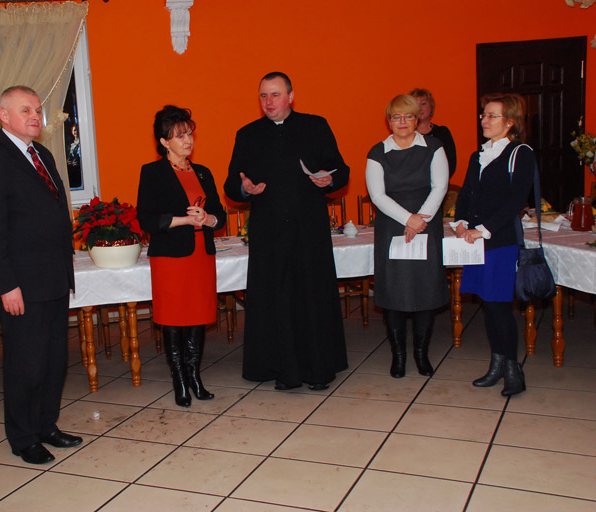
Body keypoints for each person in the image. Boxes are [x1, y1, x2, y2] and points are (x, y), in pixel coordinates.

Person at [0, 85, 82, 465]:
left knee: (53, 360)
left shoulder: (43, 155)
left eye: (37, 110)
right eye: (25, 110)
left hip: (53, 278)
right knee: (25, 364)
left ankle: (46, 425)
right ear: (4, 116)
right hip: (21, 284)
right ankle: (23, 437)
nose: (35, 116)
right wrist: (6, 286)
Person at [224, 72, 350, 390]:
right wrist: (244, 187)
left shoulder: (316, 126)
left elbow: (341, 170)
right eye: (263, 96)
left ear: (291, 97)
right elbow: (231, 184)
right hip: (268, 234)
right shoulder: (248, 134)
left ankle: (317, 369)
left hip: (309, 231)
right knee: (274, 299)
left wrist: (329, 179)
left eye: (275, 94)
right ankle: (276, 367)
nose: (268, 102)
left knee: (311, 297)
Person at [137, 105, 226, 407]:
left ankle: (195, 376)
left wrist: (207, 218)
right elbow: (148, 219)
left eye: (189, 134)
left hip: (201, 253)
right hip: (170, 257)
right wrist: (185, 220)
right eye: (180, 136)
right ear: (164, 142)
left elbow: (220, 215)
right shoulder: (152, 173)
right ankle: (179, 381)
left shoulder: (203, 172)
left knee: (198, 316)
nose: (188, 140)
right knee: (174, 318)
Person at [454, 93, 535, 396]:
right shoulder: (478, 154)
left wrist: (483, 230)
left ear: (510, 121)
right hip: (476, 242)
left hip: (500, 241)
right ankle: (497, 364)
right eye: (483, 115)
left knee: (500, 305)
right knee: (488, 305)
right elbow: (466, 193)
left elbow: (516, 200)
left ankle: (513, 369)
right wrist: (460, 221)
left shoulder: (521, 153)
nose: (484, 121)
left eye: (491, 116)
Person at [365, 95, 449, 378]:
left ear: (417, 119)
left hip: (427, 224)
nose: (402, 122)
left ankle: (421, 355)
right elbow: (377, 195)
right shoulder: (378, 152)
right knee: (395, 292)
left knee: (425, 290)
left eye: (408, 116)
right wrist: (408, 219)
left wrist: (420, 220)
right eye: (396, 117)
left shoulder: (434, 147)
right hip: (392, 228)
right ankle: (398, 356)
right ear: (389, 121)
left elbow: (440, 187)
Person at [409, 88, 457, 178]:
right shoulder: (406, 134)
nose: (419, 108)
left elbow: (451, 163)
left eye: (423, 104)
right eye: (415, 104)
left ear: (431, 107)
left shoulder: (442, 132)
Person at [67, 122, 82, 189]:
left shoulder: (81, 143)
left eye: (76, 130)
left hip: (78, 171)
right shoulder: (71, 144)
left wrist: (78, 162)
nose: (75, 132)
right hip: (71, 171)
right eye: (73, 130)